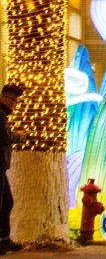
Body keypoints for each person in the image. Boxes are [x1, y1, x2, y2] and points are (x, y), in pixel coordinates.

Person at [0, 85, 25, 253]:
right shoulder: (1, 115)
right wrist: (19, 136)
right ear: (6, 99)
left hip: (2, 167)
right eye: (15, 101)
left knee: (7, 202)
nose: (15, 105)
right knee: (4, 202)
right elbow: (4, 137)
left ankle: (4, 240)